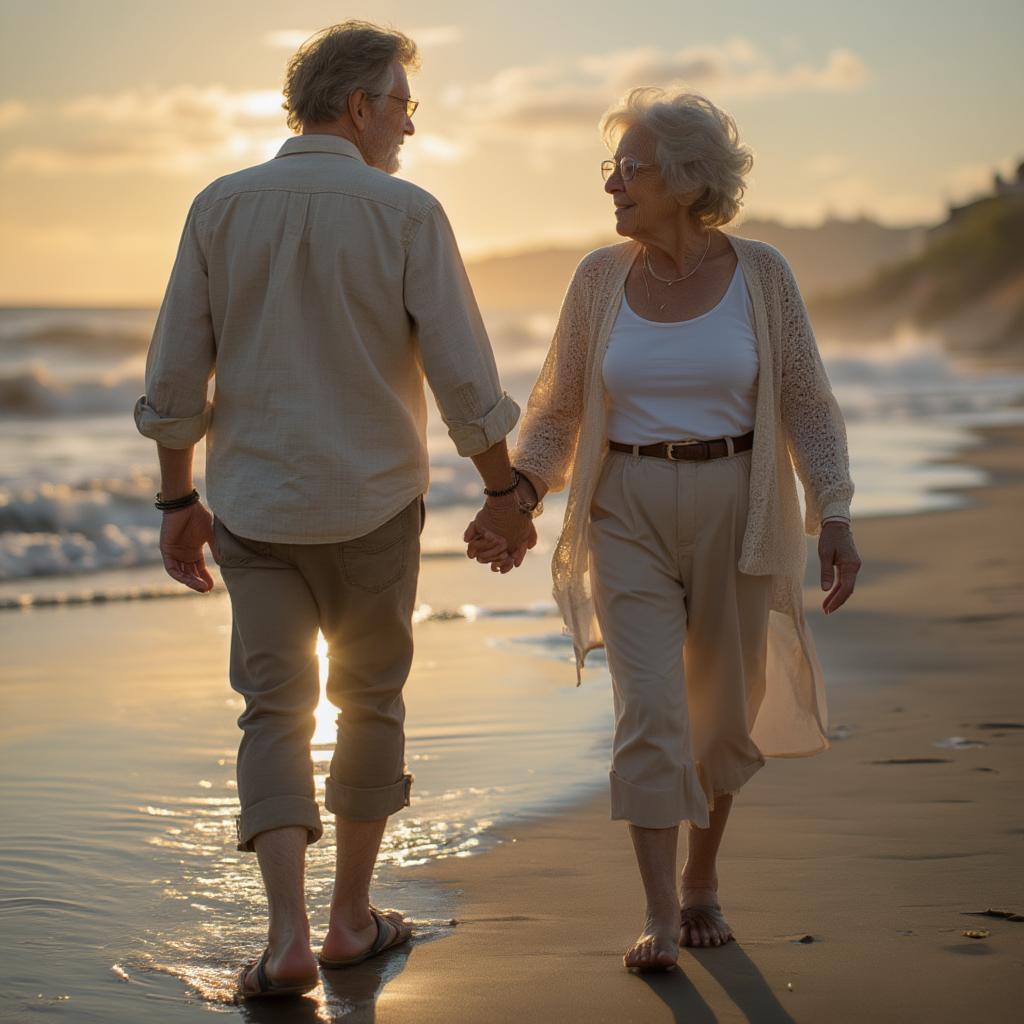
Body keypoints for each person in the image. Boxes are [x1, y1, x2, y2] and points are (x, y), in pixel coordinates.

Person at [133, 21, 536, 1000]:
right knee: (368, 699)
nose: (410, 121)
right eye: (402, 102)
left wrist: (177, 497)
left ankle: (285, 940)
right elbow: (463, 377)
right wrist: (503, 491)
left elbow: (177, 376)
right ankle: (351, 916)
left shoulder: (218, 207)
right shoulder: (406, 212)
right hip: (372, 504)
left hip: (255, 506)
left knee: (274, 708)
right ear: (358, 105)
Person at [474, 86, 861, 973]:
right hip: (627, 509)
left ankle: (701, 881)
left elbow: (808, 404)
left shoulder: (761, 275)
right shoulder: (597, 279)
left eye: (628, 169)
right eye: (609, 169)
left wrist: (832, 510)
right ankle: (656, 912)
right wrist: (521, 496)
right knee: (649, 709)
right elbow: (556, 410)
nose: (611, 185)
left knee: (720, 718)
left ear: (688, 180)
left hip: (740, 506)